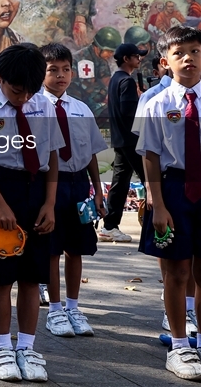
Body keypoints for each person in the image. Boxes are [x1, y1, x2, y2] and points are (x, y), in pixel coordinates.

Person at [0, 43, 63, 382]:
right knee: (2, 276)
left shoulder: (44, 105)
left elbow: (52, 159)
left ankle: (28, 348)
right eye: (17, 90)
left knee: (33, 277)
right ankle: (3, 348)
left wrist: (50, 203)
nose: (23, 98)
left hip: (37, 192)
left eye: (30, 91)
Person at [136, 26, 201, 380]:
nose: (188, 58)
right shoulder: (156, 103)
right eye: (180, 53)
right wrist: (156, 204)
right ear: (165, 62)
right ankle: (179, 347)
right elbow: (150, 156)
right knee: (176, 273)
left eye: (195, 51)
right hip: (174, 191)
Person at [38, 43, 107, 338]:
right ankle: (55, 310)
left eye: (66, 69)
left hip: (78, 185)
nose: (61, 76)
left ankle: (74, 307)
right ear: (41, 72)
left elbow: (90, 152)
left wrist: (98, 191)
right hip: (47, 186)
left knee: (75, 249)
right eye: (53, 70)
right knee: (51, 249)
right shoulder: (33, 108)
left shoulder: (80, 109)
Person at [99, 42, 148, 243]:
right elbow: (130, 113)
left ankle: (109, 226)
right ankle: (160, 225)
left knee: (120, 184)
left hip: (121, 140)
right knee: (151, 179)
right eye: (137, 56)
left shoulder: (115, 79)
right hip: (132, 141)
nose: (139, 59)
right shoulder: (126, 82)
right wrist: (143, 100)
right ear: (127, 59)